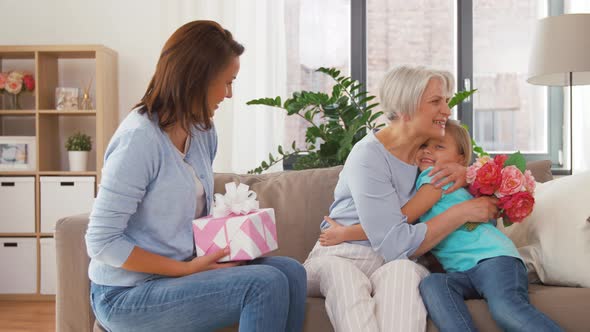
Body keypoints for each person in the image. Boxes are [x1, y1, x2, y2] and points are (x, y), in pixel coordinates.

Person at [85, 20, 306, 332]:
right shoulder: (139, 139)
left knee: (292, 272)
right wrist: (184, 269)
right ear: (196, 80)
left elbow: (190, 217)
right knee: (264, 283)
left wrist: (228, 246)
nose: (229, 94)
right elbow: (101, 241)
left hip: (180, 276)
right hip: (126, 294)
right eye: (227, 82)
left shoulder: (203, 130)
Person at [303, 65, 499, 332]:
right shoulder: (368, 156)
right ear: (405, 108)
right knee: (344, 277)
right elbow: (394, 241)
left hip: (398, 260)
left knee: (405, 275)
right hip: (342, 255)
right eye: (436, 101)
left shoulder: (427, 155)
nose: (447, 110)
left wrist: (468, 174)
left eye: (445, 101)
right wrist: (462, 212)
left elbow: (486, 178)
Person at [320, 120, 563, 331]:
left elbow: (395, 223)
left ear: (460, 157)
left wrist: (346, 232)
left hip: (493, 259)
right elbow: (398, 229)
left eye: (439, 146)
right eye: (424, 145)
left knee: (506, 309)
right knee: (433, 284)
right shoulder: (426, 183)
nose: (427, 151)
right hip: (462, 271)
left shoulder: (435, 179)